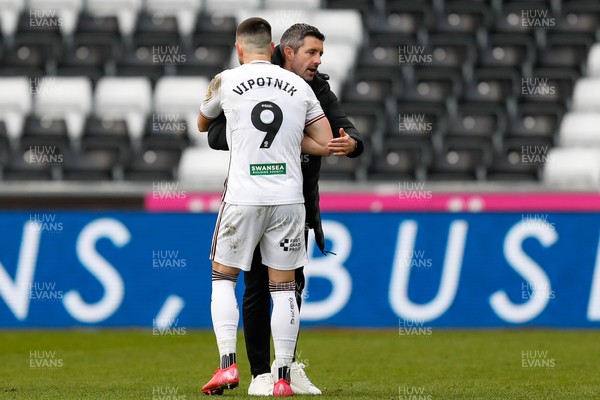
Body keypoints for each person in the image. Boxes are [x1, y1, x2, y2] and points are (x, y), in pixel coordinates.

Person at [207, 23, 364, 396]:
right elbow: (216, 135)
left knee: (289, 285)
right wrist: (290, 141)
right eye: (312, 53)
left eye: (321, 54)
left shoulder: (316, 87)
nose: (318, 61)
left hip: (294, 199)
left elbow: (348, 134)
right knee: (259, 286)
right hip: (267, 196)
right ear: (287, 51)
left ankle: (285, 368)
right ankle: (262, 371)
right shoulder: (257, 78)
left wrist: (352, 145)